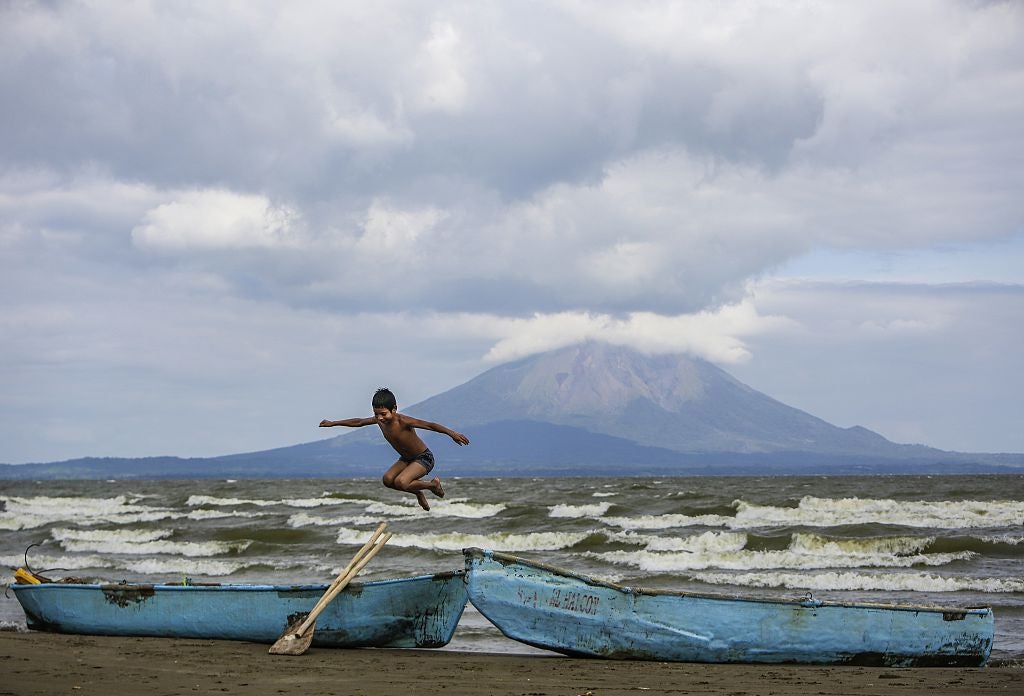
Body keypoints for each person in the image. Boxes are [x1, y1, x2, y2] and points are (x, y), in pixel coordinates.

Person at [319, 388, 470, 511]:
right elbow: (358, 421)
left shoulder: (403, 421)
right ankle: (418, 492)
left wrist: (452, 434)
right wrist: (333, 423)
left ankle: (433, 485)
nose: (379, 418)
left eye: (383, 414)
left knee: (401, 482)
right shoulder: (379, 421)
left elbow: (430, 425)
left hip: (424, 458)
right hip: (406, 459)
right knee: (388, 480)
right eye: (376, 414)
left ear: (394, 409)